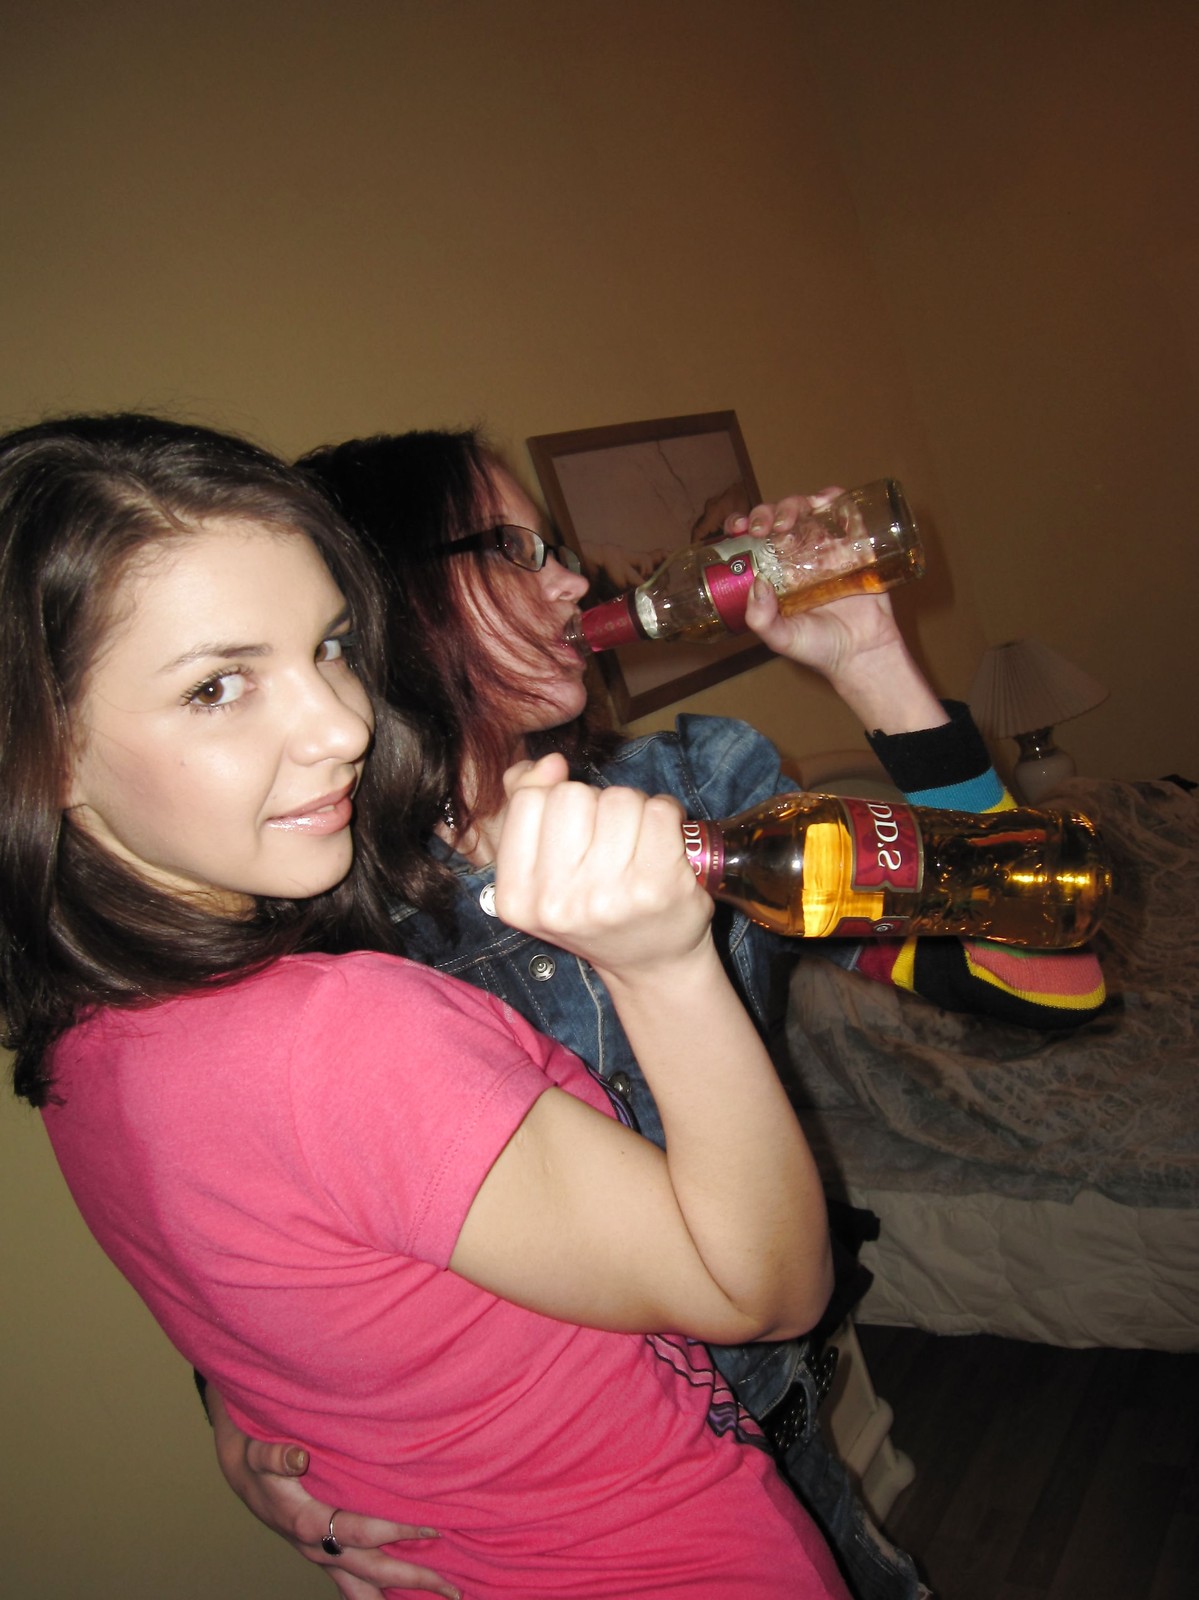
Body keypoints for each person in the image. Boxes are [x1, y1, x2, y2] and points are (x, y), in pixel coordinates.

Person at [206, 428, 1106, 1600]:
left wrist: (875, 662)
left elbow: (1044, 982)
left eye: (558, 549)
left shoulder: (695, 796)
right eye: (517, 549)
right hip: (567, 1522)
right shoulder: (322, 928)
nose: (572, 580)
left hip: (782, 1440)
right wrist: (231, 1407)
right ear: (389, 597)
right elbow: (258, 1220)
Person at [0, 412, 854, 1600]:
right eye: (218, 686)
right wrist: (662, 968)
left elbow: (327, 1276)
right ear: (40, 749)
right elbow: (767, 1288)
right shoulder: (335, 1011)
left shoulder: (95, 1033)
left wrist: (873, 663)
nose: (340, 724)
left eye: (330, 647)